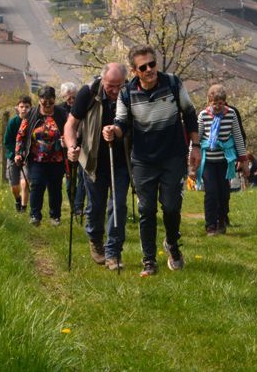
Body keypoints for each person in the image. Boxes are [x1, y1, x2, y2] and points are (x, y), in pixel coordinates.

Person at [103, 45, 200, 277]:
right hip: (143, 159)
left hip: (173, 155)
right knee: (146, 209)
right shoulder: (127, 93)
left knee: (171, 206)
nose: (150, 69)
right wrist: (112, 131)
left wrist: (196, 146)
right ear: (135, 71)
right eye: (143, 67)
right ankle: (149, 260)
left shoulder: (173, 83)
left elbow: (189, 114)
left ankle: (172, 245)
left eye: (152, 64)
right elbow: (122, 124)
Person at [64, 63, 129, 271]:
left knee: (118, 205)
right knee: (96, 206)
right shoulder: (88, 92)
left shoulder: (129, 94)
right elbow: (70, 125)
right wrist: (72, 147)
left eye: (119, 85)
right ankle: (95, 238)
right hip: (92, 159)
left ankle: (113, 252)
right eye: (111, 86)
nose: (115, 91)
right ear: (103, 81)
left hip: (121, 160)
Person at [194, 84, 246, 236]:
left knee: (224, 193)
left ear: (225, 102)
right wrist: (193, 161)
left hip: (225, 160)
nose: (217, 106)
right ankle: (210, 225)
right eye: (214, 103)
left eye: (220, 103)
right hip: (208, 160)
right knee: (211, 192)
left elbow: (237, 137)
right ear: (209, 102)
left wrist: (242, 160)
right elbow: (196, 139)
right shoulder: (203, 115)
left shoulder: (231, 115)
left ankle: (222, 220)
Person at [15, 86, 67, 227]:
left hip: (57, 158)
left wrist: (66, 140)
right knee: (37, 185)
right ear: (39, 101)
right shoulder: (31, 114)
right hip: (36, 158)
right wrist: (19, 153)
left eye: (51, 102)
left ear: (54, 100)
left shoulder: (62, 113)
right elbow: (21, 135)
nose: (48, 105)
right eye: (44, 102)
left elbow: (70, 130)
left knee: (55, 188)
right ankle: (35, 215)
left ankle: (55, 216)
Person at [60, 82, 85, 215]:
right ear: (63, 97)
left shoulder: (83, 107)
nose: (71, 100)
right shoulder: (59, 110)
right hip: (66, 149)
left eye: (74, 97)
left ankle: (79, 207)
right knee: (70, 181)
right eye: (68, 98)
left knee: (82, 177)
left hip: (83, 147)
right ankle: (72, 205)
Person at [3, 95, 31, 212]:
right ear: (17, 108)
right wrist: (15, 154)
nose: (24, 109)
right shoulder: (13, 122)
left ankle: (24, 208)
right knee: (14, 186)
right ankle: (18, 199)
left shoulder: (33, 121)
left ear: (31, 108)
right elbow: (7, 141)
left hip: (28, 156)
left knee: (25, 182)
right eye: (21, 106)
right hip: (13, 156)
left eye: (27, 107)